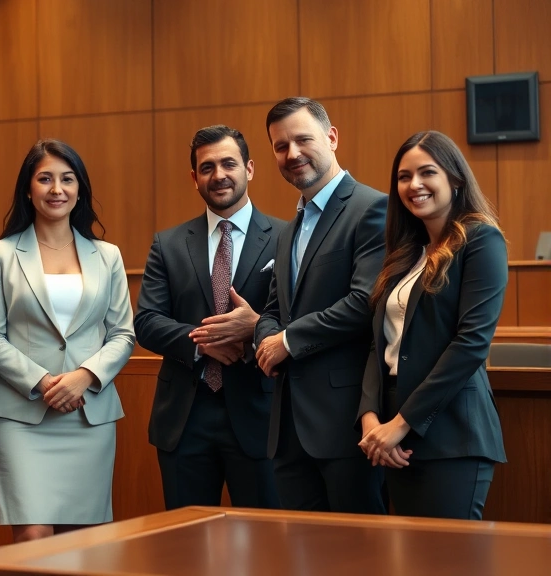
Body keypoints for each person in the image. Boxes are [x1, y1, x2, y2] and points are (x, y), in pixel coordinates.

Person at [0, 139, 135, 542]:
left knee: (82, 543)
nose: (56, 189)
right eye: (44, 179)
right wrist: (45, 382)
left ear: (80, 188)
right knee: (33, 536)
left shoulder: (108, 255)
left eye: (67, 179)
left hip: (88, 415)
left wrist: (84, 376)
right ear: (28, 189)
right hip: (22, 415)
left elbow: (122, 335)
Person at [357, 131, 507, 520]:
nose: (414, 185)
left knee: (450, 561)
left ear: (455, 180)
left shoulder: (481, 240)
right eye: (404, 177)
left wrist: (402, 424)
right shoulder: (404, 254)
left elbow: (471, 343)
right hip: (393, 438)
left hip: (451, 434)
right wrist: (372, 419)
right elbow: (379, 343)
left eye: (427, 173)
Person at [136, 125, 283, 510]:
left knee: (266, 546)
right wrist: (208, 344)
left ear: (249, 169)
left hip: (260, 416)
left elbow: (295, 319)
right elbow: (147, 321)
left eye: (228, 164)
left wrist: (253, 335)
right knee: (186, 548)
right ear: (194, 178)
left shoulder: (287, 238)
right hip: (185, 417)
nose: (218, 175)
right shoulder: (167, 244)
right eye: (207, 167)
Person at [253, 97, 388, 514]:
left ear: (331, 138)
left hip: (346, 422)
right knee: (300, 554)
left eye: (302, 140)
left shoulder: (373, 208)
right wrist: (264, 338)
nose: (291, 154)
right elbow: (273, 308)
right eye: (280, 146)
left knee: (360, 555)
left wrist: (287, 342)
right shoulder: (288, 229)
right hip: (288, 427)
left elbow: (363, 301)